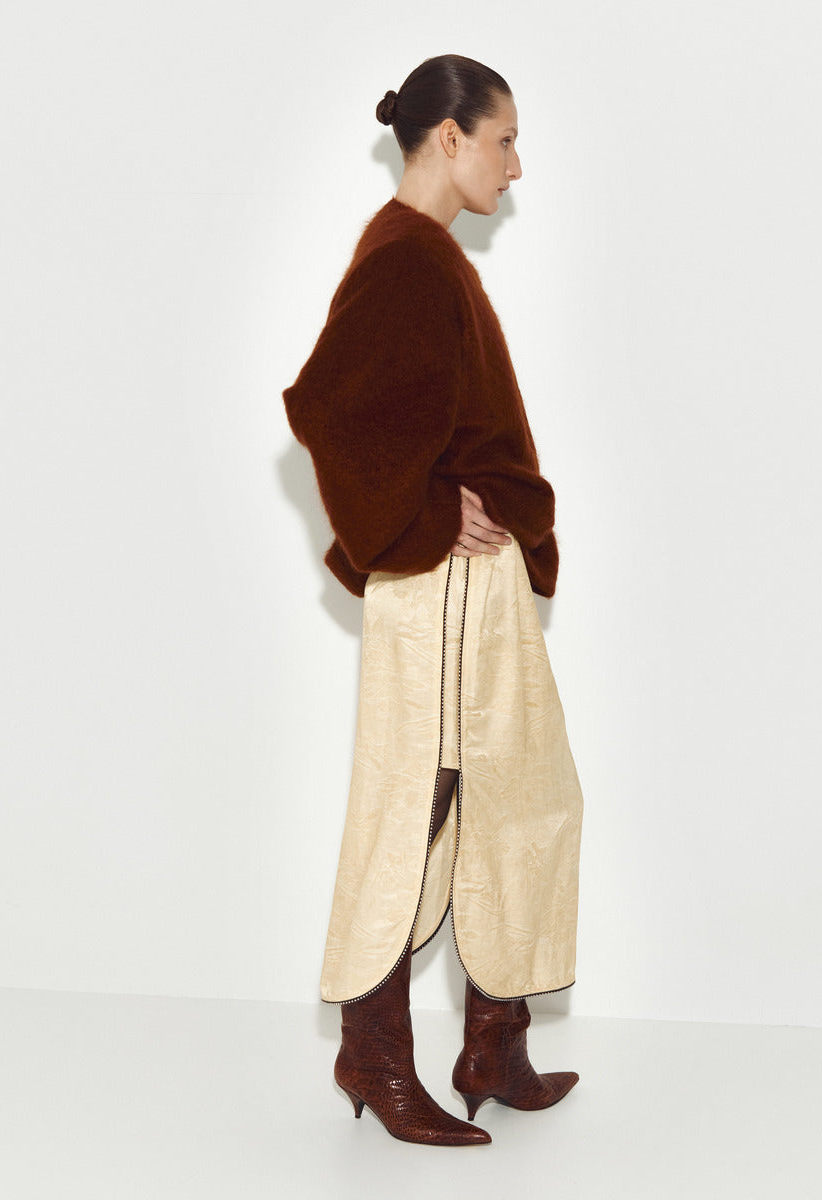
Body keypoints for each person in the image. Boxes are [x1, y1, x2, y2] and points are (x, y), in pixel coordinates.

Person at [283, 54, 584, 1148]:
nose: (516, 163)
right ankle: (373, 1050)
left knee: (525, 794)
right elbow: (325, 407)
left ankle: (492, 1046)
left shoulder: (425, 252)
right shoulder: (407, 255)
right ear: (448, 137)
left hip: (477, 582)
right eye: (504, 139)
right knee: (425, 801)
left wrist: (447, 501)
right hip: (444, 586)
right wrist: (420, 510)